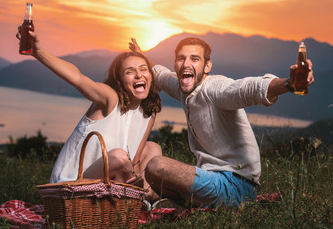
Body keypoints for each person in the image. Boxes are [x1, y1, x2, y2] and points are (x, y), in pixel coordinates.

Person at [129, 37, 314, 208]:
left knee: (155, 166)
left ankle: (174, 202)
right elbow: (159, 74)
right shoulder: (181, 86)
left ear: (207, 66)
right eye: (181, 59)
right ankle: (177, 203)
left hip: (237, 184)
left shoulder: (216, 89)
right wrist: (141, 57)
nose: (186, 63)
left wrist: (289, 84)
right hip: (210, 178)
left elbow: (247, 88)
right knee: (147, 175)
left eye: (194, 59)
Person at [16, 29, 162, 202]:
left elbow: (135, 161)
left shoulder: (148, 112)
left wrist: (139, 179)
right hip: (72, 186)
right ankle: (144, 200)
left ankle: (140, 199)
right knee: (118, 157)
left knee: (153, 148)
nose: (139, 74)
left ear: (151, 76)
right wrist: (38, 52)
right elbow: (78, 78)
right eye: (130, 71)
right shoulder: (110, 98)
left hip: (109, 181)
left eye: (143, 69)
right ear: (120, 80)